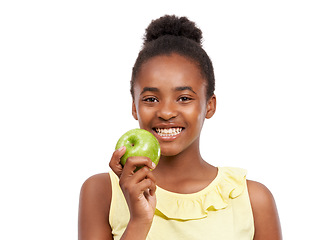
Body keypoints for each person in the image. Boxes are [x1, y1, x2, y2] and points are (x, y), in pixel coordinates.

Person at [78, 15, 282, 240]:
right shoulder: (102, 191)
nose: (166, 112)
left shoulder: (252, 200)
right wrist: (139, 220)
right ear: (134, 107)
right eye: (151, 99)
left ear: (209, 106)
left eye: (184, 98)